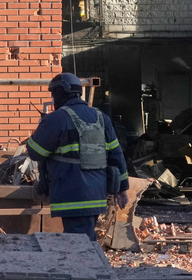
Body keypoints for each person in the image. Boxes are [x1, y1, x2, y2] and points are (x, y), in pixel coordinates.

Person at [26, 72, 130, 241]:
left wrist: (41, 129)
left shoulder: (57, 119)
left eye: (54, 95)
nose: (53, 100)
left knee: (80, 246)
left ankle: (92, 268)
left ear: (60, 93)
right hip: (96, 196)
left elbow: (35, 152)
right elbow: (116, 155)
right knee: (86, 239)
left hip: (71, 195)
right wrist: (123, 188)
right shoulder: (101, 118)